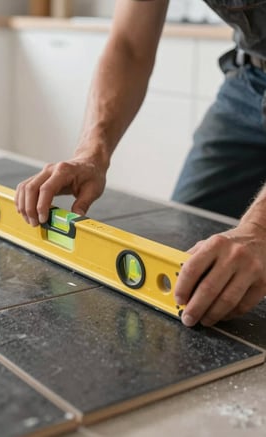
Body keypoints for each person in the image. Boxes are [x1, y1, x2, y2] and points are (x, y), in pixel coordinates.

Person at [15, 0, 266, 328]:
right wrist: (91, 152)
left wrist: (259, 230)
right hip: (248, 78)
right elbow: (129, 45)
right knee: (187, 254)